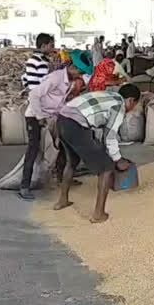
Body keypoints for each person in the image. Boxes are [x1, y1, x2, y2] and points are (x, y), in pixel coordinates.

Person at [54, 84, 141, 223]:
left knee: (71, 162)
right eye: (134, 104)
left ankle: (62, 201)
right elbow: (110, 135)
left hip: (61, 120)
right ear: (130, 100)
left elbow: (100, 128)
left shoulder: (108, 95)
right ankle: (98, 214)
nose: (132, 108)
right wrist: (118, 159)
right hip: (76, 125)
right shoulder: (119, 106)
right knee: (106, 168)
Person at [19, 61, 85, 200]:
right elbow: (34, 95)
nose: (81, 76)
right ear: (72, 68)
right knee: (34, 149)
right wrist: (40, 117)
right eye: (80, 72)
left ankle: (62, 178)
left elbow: (60, 102)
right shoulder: (55, 78)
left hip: (51, 116)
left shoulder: (70, 81)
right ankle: (25, 186)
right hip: (35, 116)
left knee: (62, 146)